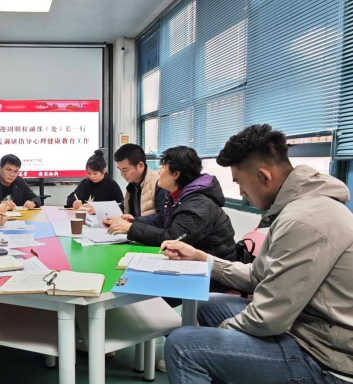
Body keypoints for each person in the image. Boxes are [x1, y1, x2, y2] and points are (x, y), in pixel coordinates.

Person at [162, 124, 353, 384]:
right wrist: (203, 258)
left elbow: (268, 318)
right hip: (304, 326)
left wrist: (220, 334)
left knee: (183, 346)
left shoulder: (303, 220)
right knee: (206, 304)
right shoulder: (294, 208)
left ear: (264, 177)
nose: (241, 192)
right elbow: (258, 276)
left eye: (240, 183)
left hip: (326, 357)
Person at [105, 146, 237, 261]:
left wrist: (131, 229)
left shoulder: (198, 203)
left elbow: (174, 237)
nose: (159, 171)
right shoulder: (175, 195)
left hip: (213, 269)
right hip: (192, 260)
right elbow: (159, 221)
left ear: (176, 174)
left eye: (163, 166)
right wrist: (130, 223)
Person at [114, 143, 166, 223]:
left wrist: (134, 221)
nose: (122, 174)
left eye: (125, 170)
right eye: (119, 169)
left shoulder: (159, 183)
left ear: (140, 166)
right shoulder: (133, 184)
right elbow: (125, 207)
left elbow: (162, 217)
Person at [66, 150, 124, 214]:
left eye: (95, 173)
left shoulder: (112, 186)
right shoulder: (84, 184)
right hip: (84, 217)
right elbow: (71, 197)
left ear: (104, 170)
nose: (91, 176)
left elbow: (120, 207)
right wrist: (74, 203)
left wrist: (98, 209)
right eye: (89, 173)